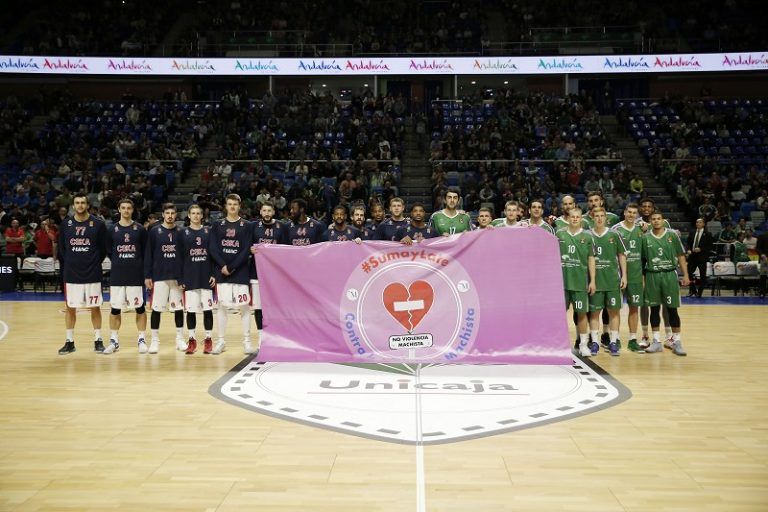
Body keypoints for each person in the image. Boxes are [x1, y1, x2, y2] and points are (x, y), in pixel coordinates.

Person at [57, 193, 108, 355]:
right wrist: (72, 261)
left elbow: (103, 249)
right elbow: (62, 249)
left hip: (92, 273)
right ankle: (69, 342)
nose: (80, 205)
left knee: (95, 307)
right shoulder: (66, 224)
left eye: (83, 203)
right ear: (73, 206)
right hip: (72, 273)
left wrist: (93, 262)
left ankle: (98, 340)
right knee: (70, 307)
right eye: (77, 203)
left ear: (87, 205)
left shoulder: (98, 224)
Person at [640, 210, 690, 356]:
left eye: (658, 219)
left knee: (672, 309)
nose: (656, 221)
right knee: (654, 309)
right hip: (652, 275)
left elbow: (681, 255)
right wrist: (643, 279)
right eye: (653, 219)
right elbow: (642, 260)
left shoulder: (672, 235)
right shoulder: (645, 238)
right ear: (650, 222)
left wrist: (686, 275)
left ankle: (677, 341)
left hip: (669, 275)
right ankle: (656, 341)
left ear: (663, 221)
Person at [209, 194, 254, 355]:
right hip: (222, 273)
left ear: (239, 206)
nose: (232, 207)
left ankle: (247, 342)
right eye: (230, 204)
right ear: (226, 206)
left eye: (235, 204)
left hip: (240, 272)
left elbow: (246, 249)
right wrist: (223, 266)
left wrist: (231, 267)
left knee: (244, 307)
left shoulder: (247, 225)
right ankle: (221, 341)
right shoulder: (217, 225)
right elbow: (213, 248)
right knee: (222, 306)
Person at [103, 198, 148, 355]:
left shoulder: (140, 229)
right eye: (123, 208)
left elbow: (145, 252)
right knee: (115, 309)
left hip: (136, 275)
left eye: (129, 208)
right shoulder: (112, 229)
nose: (126, 210)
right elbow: (109, 251)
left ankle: (141, 339)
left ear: (132, 210)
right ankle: (114, 341)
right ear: (119, 209)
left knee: (139, 308)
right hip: (118, 274)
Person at [144, 203, 186, 354]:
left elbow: (185, 256)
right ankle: (155, 341)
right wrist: (147, 275)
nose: (170, 216)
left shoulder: (181, 232)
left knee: (178, 309)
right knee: (157, 309)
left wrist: (184, 277)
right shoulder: (154, 231)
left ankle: (179, 339)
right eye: (167, 213)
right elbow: (148, 254)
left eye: (172, 213)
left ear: (176, 215)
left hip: (177, 277)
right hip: (159, 276)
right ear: (163, 214)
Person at [556, 207, 596, 358]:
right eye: (572, 216)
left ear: (581, 219)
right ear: (568, 218)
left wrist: (592, 280)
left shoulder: (587, 237)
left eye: (577, 217)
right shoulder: (560, 234)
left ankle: (583, 345)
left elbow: (591, 259)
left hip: (580, 283)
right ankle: (558, 344)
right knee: (559, 314)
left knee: (581, 313)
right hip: (562, 283)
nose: (574, 219)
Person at [588, 208, 627, 356]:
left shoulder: (614, 234)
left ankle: (613, 341)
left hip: (612, 281)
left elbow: (622, 255)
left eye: (601, 216)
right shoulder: (587, 235)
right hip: (595, 282)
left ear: (606, 218)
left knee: (614, 312)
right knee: (594, 313)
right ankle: (595, 342)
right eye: (596, 216)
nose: (599, 218)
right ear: (592, 218)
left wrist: (624, 276)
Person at [250, 201, 288, 349]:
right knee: (258, 306)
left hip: (275, 274)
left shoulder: (281, 227)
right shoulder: (253, 226)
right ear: (260, 212)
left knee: (275, 306)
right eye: (264, 210)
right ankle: (261, 337)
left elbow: (285, 249)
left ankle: (276, 335)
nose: (266, 213)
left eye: (269, 211)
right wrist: (250, 249)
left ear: (273, 212)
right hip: (256, 272)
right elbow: (247, 245)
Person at [179, 204, 216, 354]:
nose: (195, 216)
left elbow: (213, 254)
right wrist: (181, 278)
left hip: (206, 276)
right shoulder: (183, 233)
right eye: (193, 213)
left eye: (198, 213)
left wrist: (214, 274)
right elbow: (179, 257)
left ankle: (208, 340)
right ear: (188, 215)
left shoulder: (208, 231)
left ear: (202, 216)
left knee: (208, 310)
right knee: (191, 311)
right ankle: (192, 340)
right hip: (190, 277)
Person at [612, 203, 645, 352]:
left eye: (634, 213)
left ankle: (632, 339)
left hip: (636, 275)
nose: (631, 215)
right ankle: (616, 338)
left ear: (637, 215)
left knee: (634, 308)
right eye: (629, 212)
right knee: (615, 309)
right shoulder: (616, 229)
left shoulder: (641, 229)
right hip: (618, 276)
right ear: (624, 213)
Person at [686, 218, 714, 298]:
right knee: (688, 273)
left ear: (703, 224)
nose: (698, 223)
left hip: (702, 257)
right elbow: (688, 243)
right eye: (697, 222)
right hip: (692, 256)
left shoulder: (708, 234)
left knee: (702, 275)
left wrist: (701, 249)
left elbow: (710, 246)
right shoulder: (692, 232)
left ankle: (699, 292)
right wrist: (688, 249)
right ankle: (693, 290)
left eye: (700, 222)